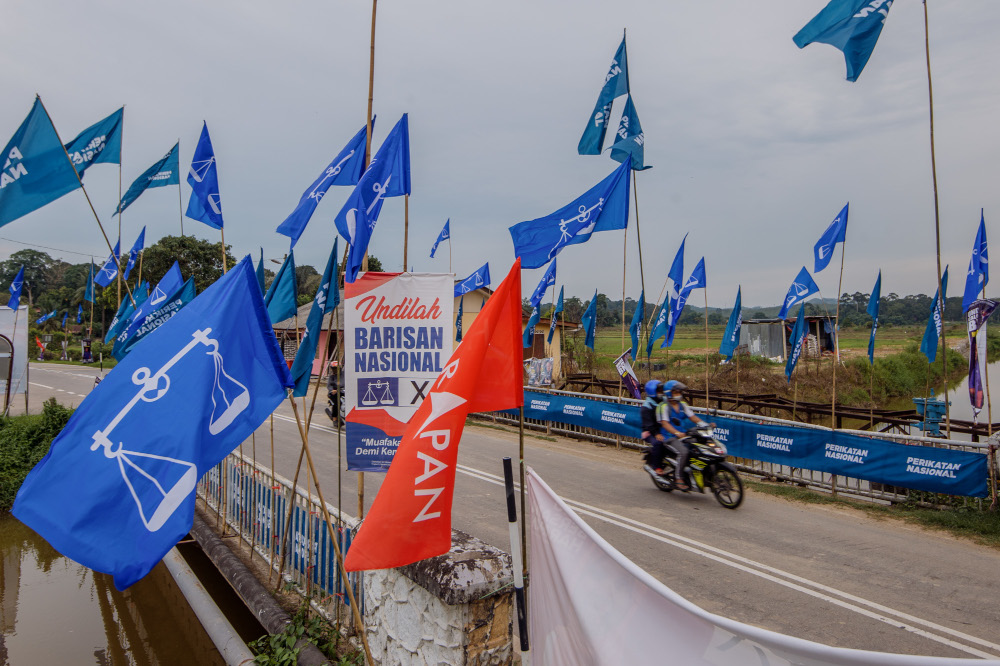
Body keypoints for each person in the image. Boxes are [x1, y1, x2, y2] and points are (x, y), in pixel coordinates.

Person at [658, 380, 707, 491]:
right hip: (669, 437)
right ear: (669, 393)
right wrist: (676, 433)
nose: (679, 394)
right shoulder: (664, 406)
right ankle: (678, 478)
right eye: (676, 392)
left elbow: (693, 417)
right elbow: (665, 423)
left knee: (697, 449)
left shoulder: (683, 405)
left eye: (679, 392)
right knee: (683, 452)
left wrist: (705, 425)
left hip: (683, 435)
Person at [640, 379, 668, 477]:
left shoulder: (664, 401)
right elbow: (649, 425)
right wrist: (656, 434)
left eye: (662, 391)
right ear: (652, 392)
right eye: (659, 391)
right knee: (658, 443)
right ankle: (657, 467)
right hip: (650, 432)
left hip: (663, 429)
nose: (661, 393)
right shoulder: (646, 407)